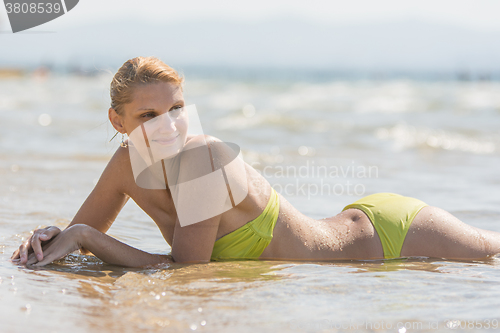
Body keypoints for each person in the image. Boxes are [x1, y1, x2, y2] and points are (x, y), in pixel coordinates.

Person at [11, 56, 500, 268]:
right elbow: (75, 246)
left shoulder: (201, 157)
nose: (169, 125)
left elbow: (185, 270)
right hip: (356, 240)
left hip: (392, 238)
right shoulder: (125, 164)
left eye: (176, 108)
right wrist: (48, 241)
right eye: (149, 115)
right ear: (119, 122)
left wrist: (86, 238)